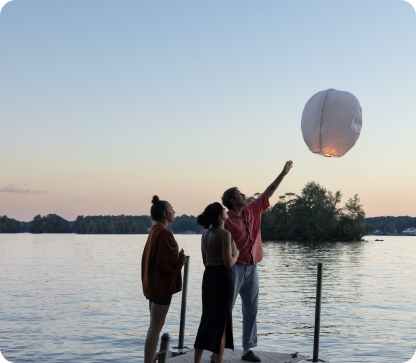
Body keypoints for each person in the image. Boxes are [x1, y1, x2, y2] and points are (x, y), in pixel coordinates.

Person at [219, 160, 293, 362]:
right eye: (240, 194)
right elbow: (214, 235)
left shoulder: (252, 209)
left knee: (251, 308)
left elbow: (268, 192)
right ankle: (218, 352)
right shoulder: (226, 219)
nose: (244, 195)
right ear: (233, 201)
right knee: (225, 308)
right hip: (235, 267)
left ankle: (246, 350)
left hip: (253, 266)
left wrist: (283, 173)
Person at [141, 195, 186, 363]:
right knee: (155, 328)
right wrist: (180, 261)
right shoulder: (163, 233)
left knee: (154, 327)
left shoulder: (154, 231)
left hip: (153, 285)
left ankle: (149, 360)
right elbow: (166, 263)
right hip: (160, 287)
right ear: (165, 214)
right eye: (172, 209)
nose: (174, 211)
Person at [194, 202, 240, 363]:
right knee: (221, 323)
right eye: (224, 211)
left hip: (209, 278)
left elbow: (206, 262)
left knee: (206, 320)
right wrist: (237, 255)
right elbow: (228, 262)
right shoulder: (224, 234)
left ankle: (197, 361)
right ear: (220, 217)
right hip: (223, 278)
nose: (227, 212)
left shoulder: (205, 234)